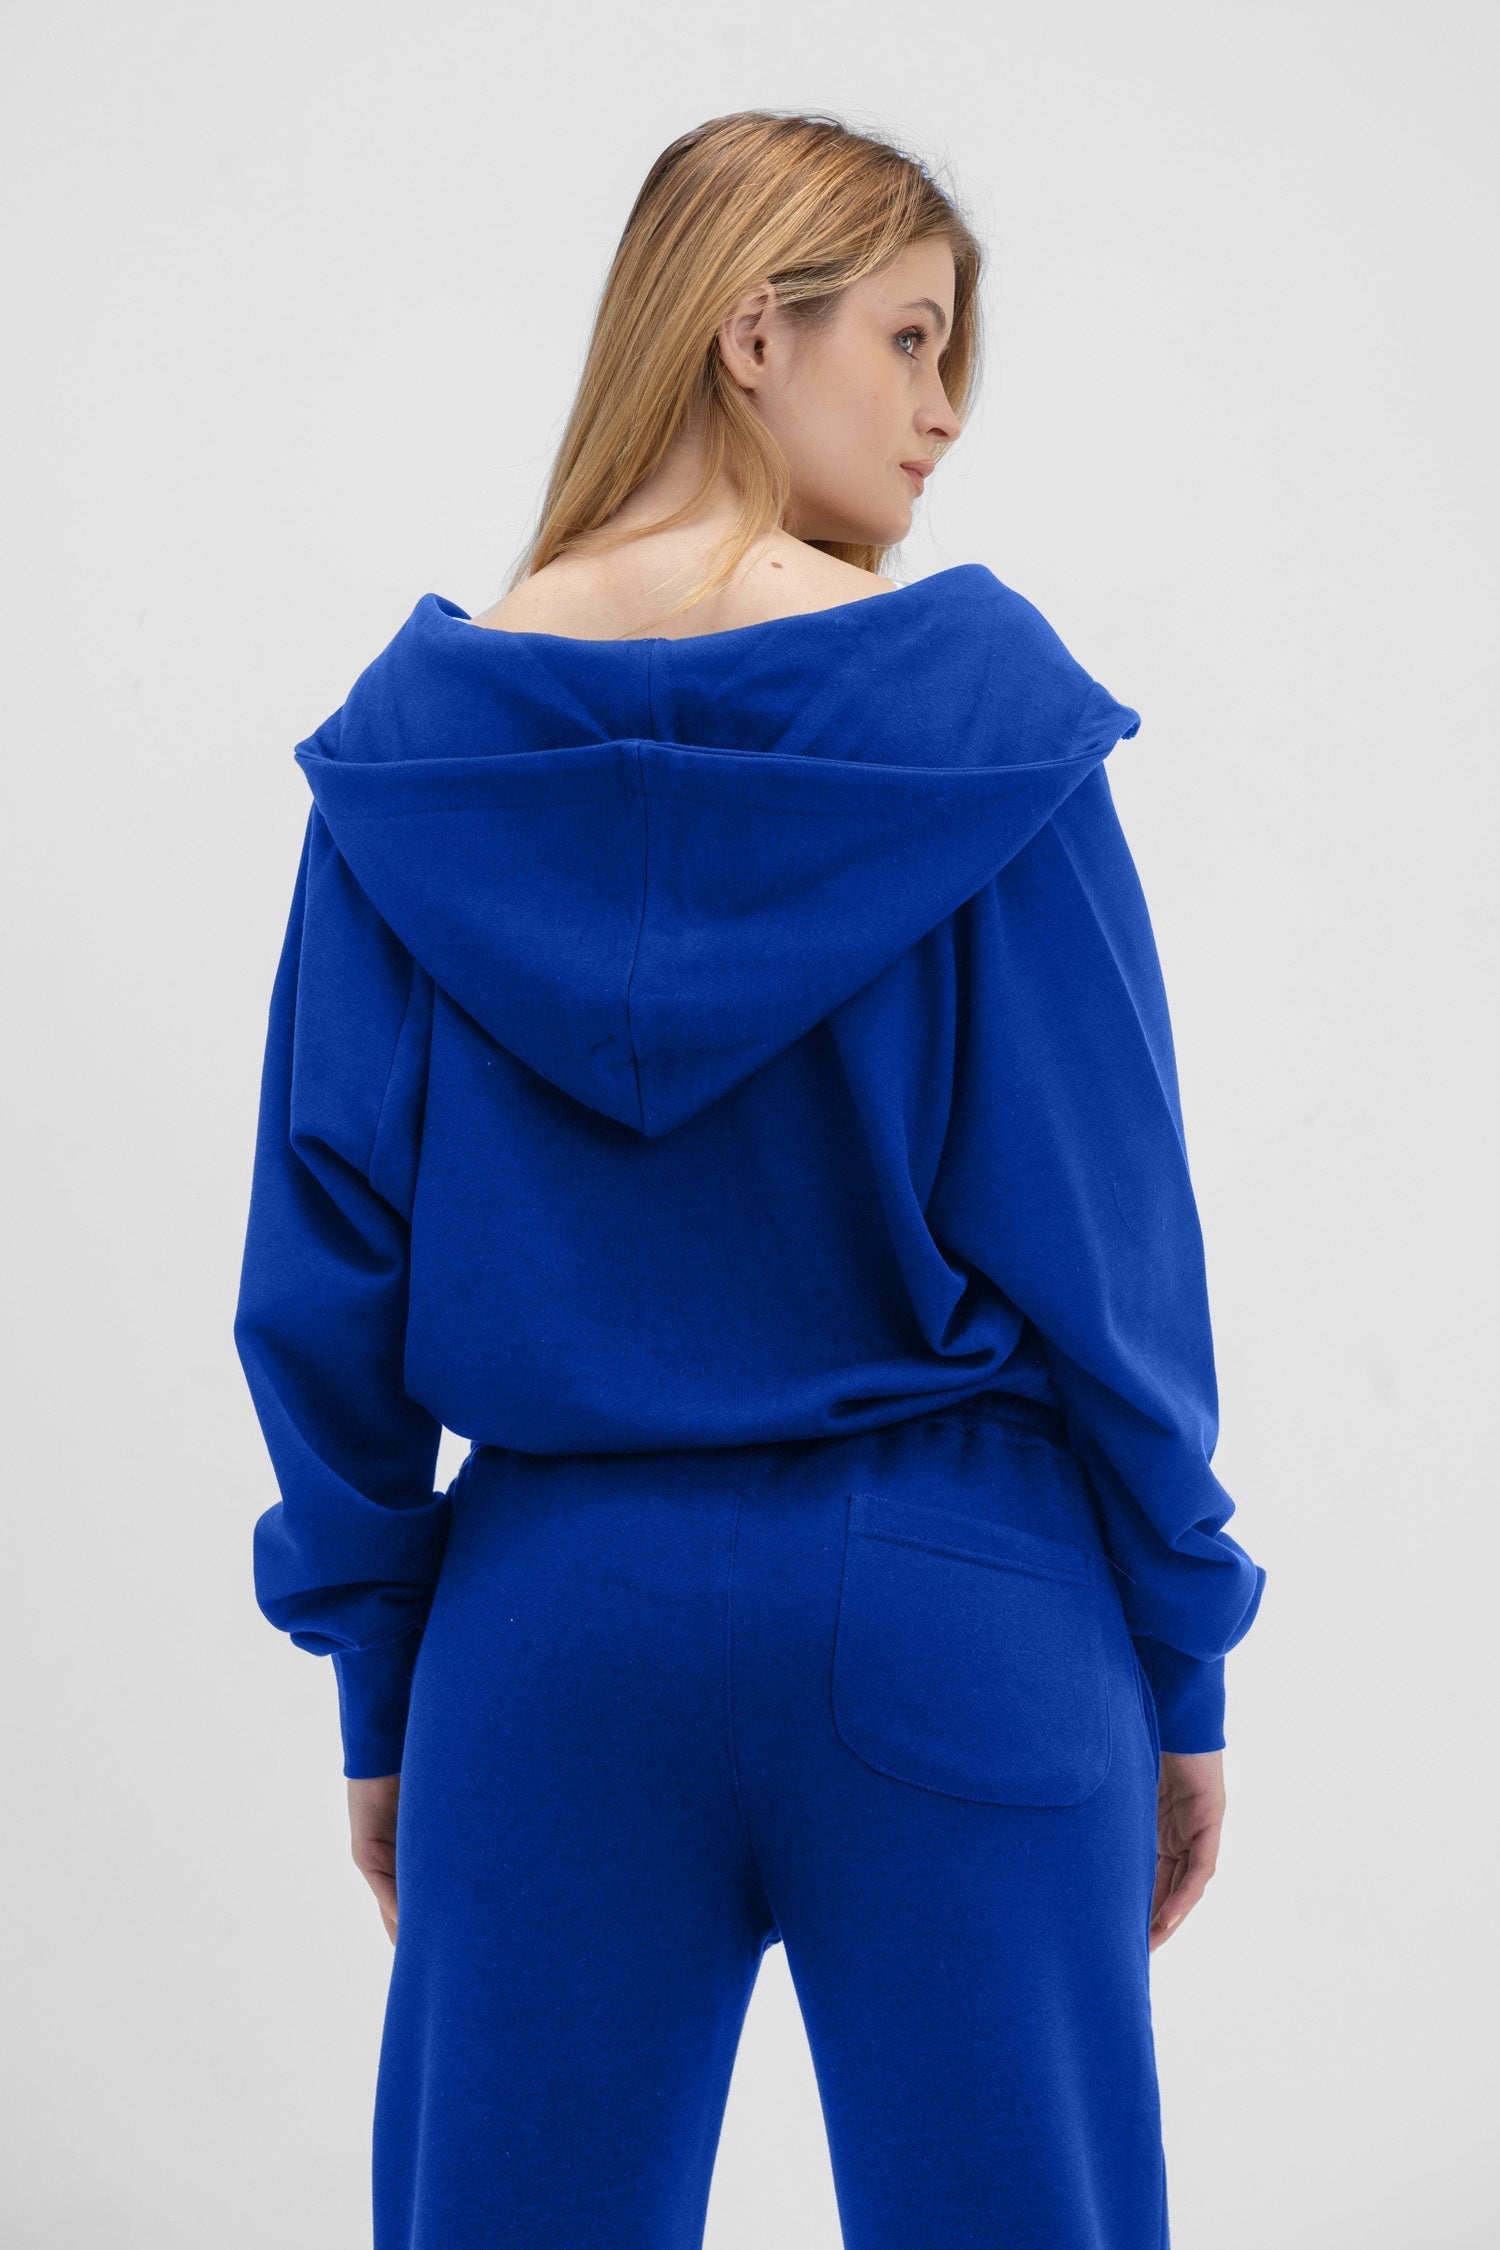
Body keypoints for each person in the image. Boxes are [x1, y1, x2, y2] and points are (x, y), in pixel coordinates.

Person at [234, 108, 1266, 2250]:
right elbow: (1111, 1249)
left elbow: (324, 1278)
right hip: (962, 1602)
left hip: (547, 1635)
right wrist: (1180, 1649)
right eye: (910, 337)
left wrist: (384, 1675)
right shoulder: (981, 730)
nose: (945, 411)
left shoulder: (413, 766)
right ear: (747, 333)